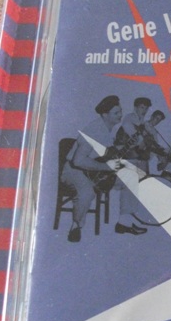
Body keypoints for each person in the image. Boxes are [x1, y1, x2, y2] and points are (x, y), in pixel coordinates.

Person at [61, 95, 148, 242]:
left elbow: (107, 152)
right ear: (104, 114)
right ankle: (76, 226)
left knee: (131, 177)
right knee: (87, 192)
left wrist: (130, 145)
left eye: (121, 111)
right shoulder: (93, 130)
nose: (120, 115)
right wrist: (105, 167)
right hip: (74, 170)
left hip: (94, 170)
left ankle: (124, 222)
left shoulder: (109, 128)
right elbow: (78, 160)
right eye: (116, 113)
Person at [115, 97, 153, 174]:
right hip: (122, 151)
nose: (144, 111)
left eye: (146, 108)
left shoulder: (141, 121)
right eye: (142, 107)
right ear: (135, 107)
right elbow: (138, 139)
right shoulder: (129, 118)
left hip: (131, 151)